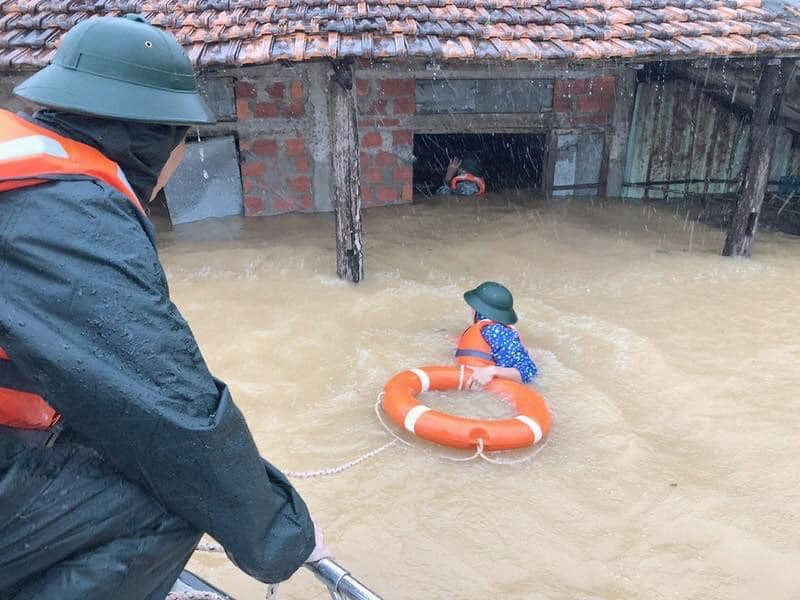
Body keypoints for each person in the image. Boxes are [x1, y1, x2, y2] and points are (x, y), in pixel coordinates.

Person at [0, 14, 330, 600]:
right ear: (158, 141)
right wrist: (284, 533)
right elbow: (172, 416)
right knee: (174, 492)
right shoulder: (66, 210)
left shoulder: (23, 168)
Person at [455, 282, 538, 390]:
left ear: (477, 310)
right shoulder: (487, 330)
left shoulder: (495, 332)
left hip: (506, 390)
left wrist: (491, 371)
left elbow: (529, 371)